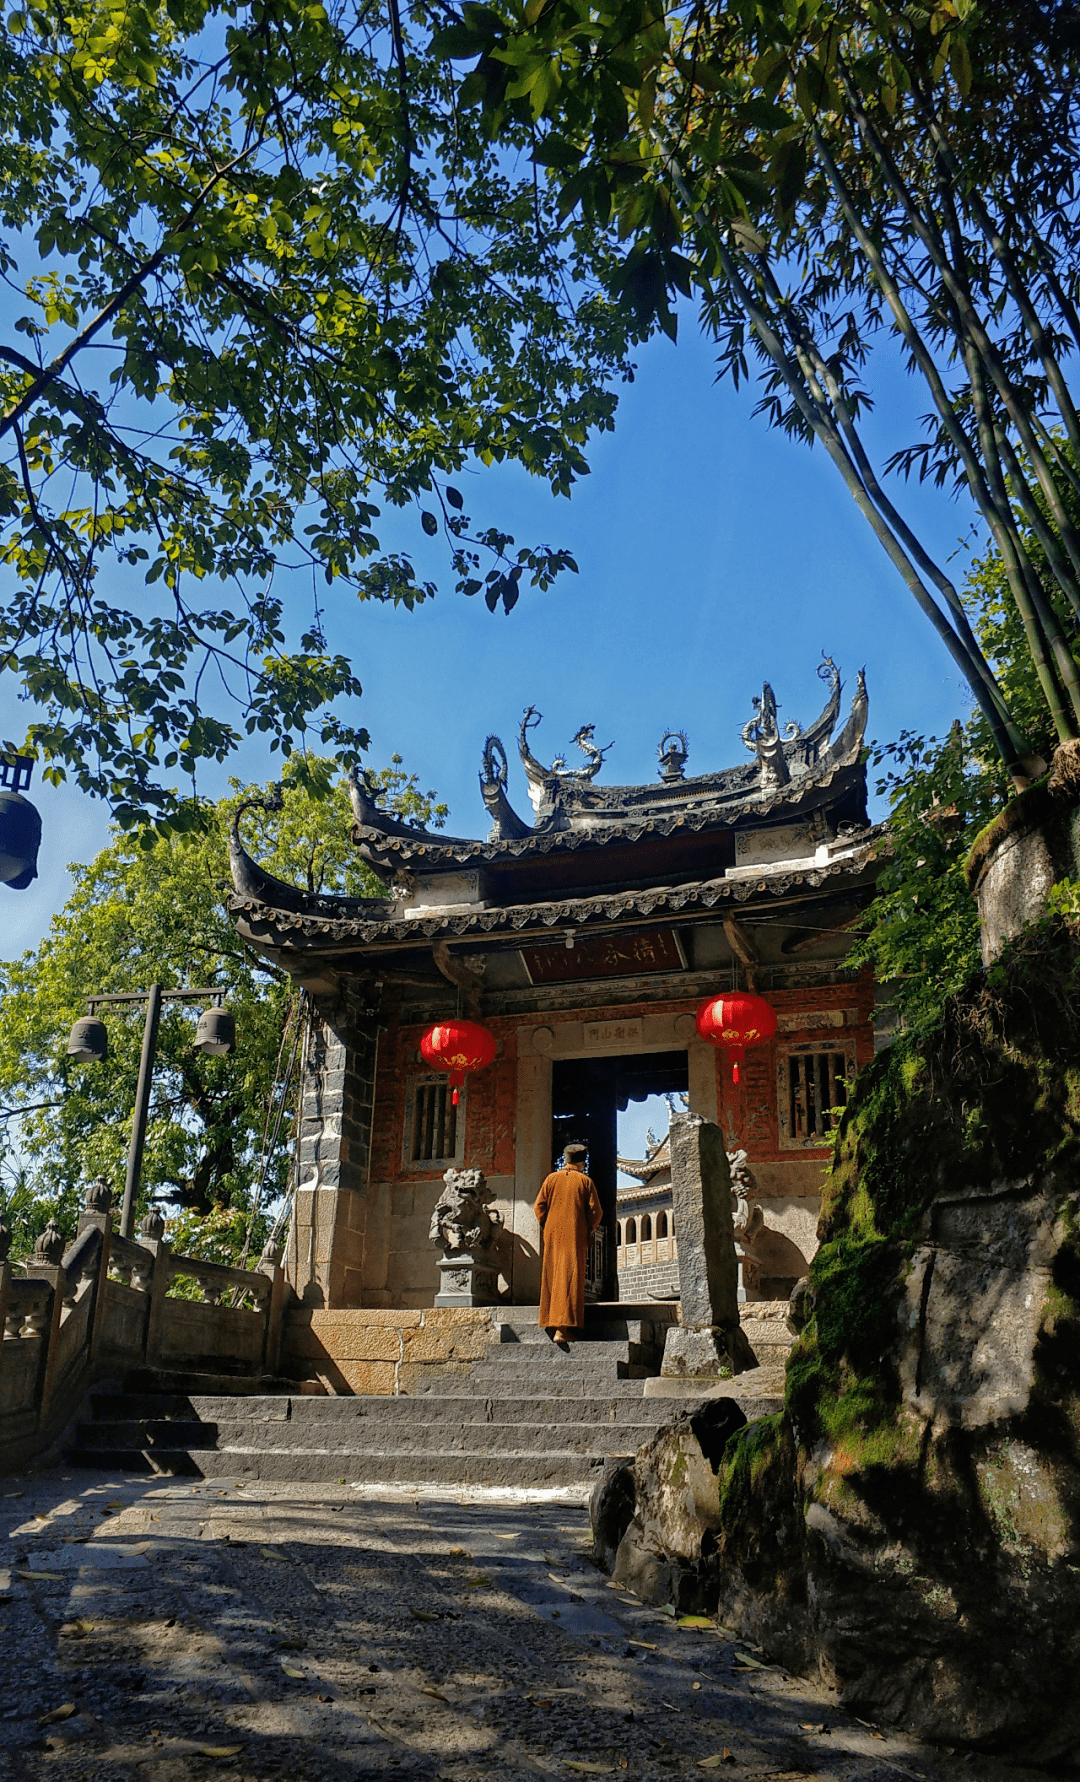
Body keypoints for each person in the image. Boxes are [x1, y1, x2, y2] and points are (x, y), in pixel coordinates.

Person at [534, 1142, 603, 1348]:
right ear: (582, 1162)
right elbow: (595, 1212)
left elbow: (539, 1207)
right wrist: (587, 1228)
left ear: (566, 1160)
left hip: (553, 1235)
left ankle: (550, 1321)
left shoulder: (550, 1179)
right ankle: (562, 1330)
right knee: (570, 1278)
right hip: (575, 1235)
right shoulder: (585, 1181)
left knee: (553, 1276)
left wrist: (548, 1226)